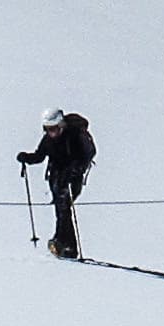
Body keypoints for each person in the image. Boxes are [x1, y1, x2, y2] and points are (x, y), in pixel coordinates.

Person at [17, 109, 97, 260]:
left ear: (61, 125)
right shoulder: (48, 139)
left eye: (53, 129)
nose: (50, 132)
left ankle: (66, 245)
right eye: (47, 129)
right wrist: (26, 158)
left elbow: (88, 154)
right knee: (61, 210)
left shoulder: (74, 136)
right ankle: (63, 244)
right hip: (56, 178)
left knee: (64, 209)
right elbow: (39, 156)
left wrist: (75, 171)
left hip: (72, 179)